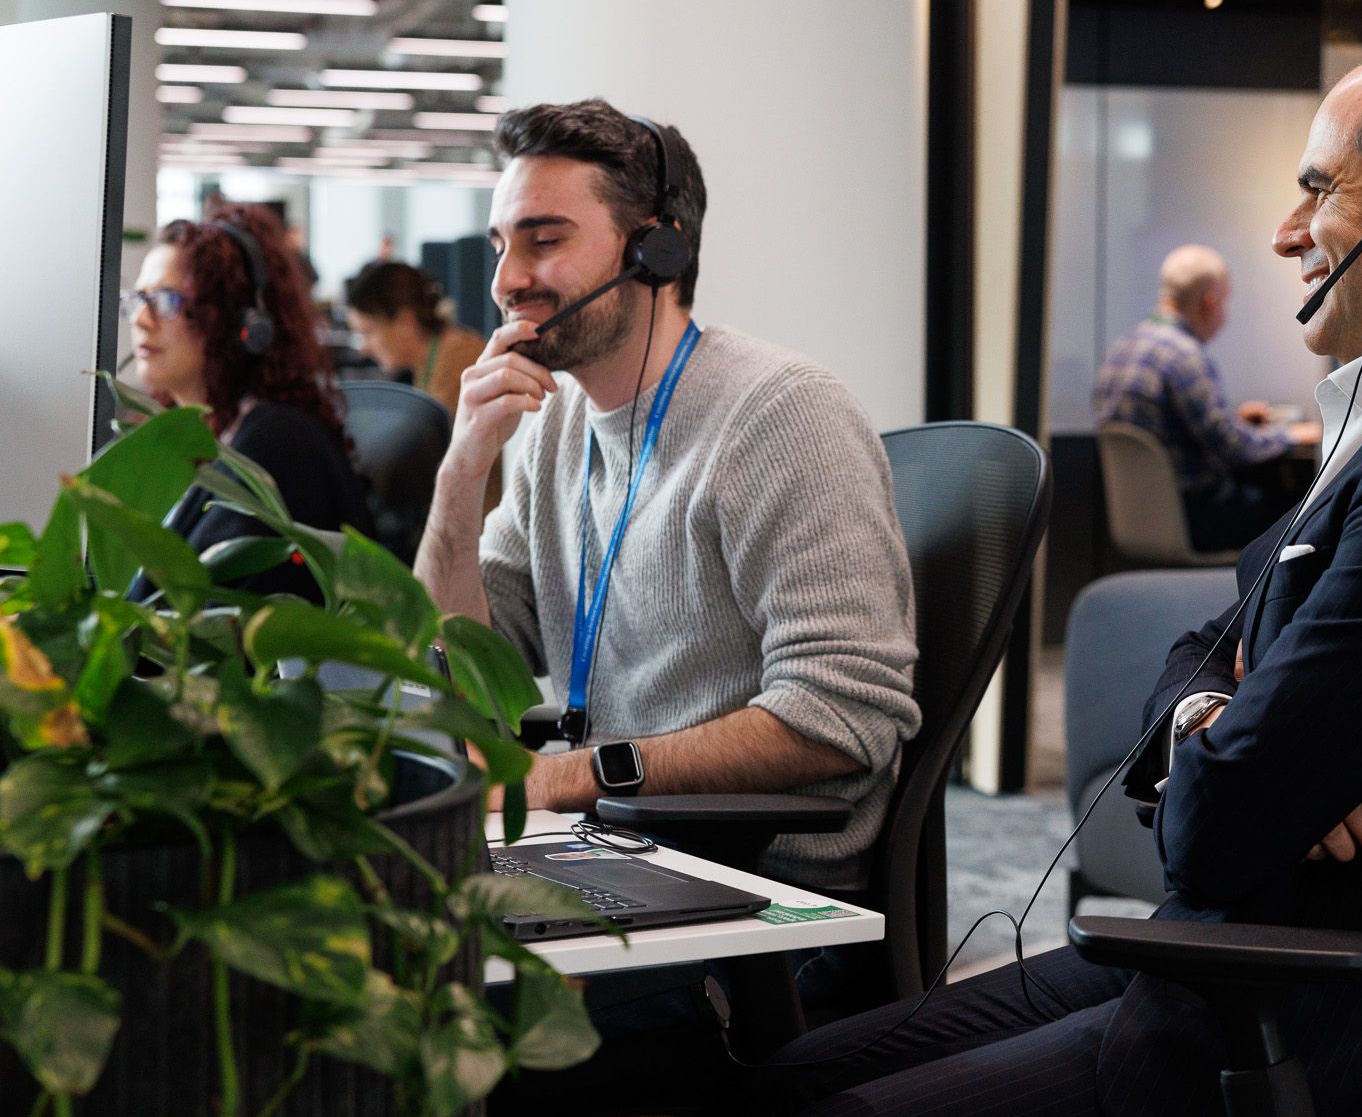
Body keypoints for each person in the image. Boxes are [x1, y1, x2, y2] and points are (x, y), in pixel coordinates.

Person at [755, 33, 1362, 1117]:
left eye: (1319, 188)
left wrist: (1245, 746)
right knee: (780, 1077)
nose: (1283, 232)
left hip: (1303, 1026)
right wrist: (1214, 716)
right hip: (1230, 964)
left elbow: (1213, 833)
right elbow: (1212, 633)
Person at [413, 99, 919, 897]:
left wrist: (558, 780)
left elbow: (840, 716)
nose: (508, 280)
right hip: (610, 844)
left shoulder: (780, 414)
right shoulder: (555, 426)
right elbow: (468, 664)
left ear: (657, 249)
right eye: (502, 246)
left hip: (756, 890)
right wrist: (460, 473)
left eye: (545, 242)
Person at [127, 204, 372, 601]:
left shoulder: (277, 445)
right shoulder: (191, 439)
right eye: (139, 299)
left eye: (166, 300)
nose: (141, 318)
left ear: (239, 321)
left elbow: (217, 624)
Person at [1094, 243, 1319, 551]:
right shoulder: (1184, 356)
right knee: (1304, 512)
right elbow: (1233, 448)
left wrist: (1235, 419)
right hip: (1198, 519)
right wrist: (1292, 436)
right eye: (1225, 302)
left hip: (1147, 518)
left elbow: (1172, 431)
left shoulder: (1122, 348)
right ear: (1209, 302)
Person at [344, 262, 498, 510]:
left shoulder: (460, 361)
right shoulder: (431, 362)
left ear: (405, 321)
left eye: (369, 332)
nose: (364, 347)